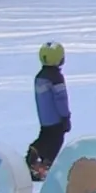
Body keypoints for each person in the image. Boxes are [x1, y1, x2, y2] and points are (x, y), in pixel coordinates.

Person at [26, 42, 71, 181]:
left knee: (45, 137)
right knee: (56, 140)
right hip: (56, 118)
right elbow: (61, 99)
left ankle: (36, 153)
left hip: (44, 117)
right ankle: (44, 165)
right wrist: (65, 116)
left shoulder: (40, 76)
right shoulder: (56, 78)